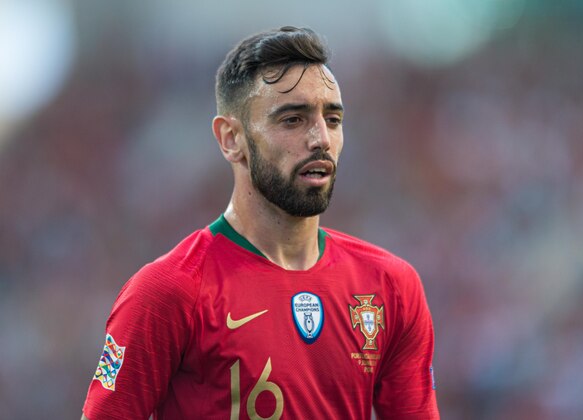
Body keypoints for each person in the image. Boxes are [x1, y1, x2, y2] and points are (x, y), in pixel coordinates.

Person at [82, 26, 439, 419]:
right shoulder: (169, 291)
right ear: (231, 139)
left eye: (332, 119)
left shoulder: (390, 286)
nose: (320, 138)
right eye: (292, 120)